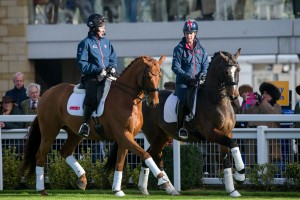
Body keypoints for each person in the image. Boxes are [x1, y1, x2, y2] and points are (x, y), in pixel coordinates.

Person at [76, 13, 117, 138]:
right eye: (101, 26)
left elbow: (113, 57)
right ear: (94, 28)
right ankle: (85, 124)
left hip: (107, 75)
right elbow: (82, 65)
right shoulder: (85, 43)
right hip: (91, 77)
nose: (104, 29)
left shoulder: (107, 42)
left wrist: (113, 67)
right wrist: (98, 70)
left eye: (104, 26)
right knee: (92, 95)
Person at [171, 19, 209, 138]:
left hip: (198, 82)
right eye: (187, 33)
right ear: (184, 34)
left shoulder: (201, 48)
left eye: (191, 33)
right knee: (182, 100)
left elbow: (205, 64)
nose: (189, 35)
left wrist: (203, 73)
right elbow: (175, 67)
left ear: (195, 33)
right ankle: (181, 127)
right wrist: (187, 76)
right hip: (183, 82)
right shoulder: (178, 49)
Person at [247, 82, 282, 163]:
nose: (264, 95)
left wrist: (262, 103)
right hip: (253, 138)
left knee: (267, 163)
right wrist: (249, 102)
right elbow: (246, 115)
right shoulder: (257, 105)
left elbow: (274, 114)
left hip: (268, 140)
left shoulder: (276, 106)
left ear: (272, 95)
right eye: (263, 93)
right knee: (252, 162)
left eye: (267, 93)